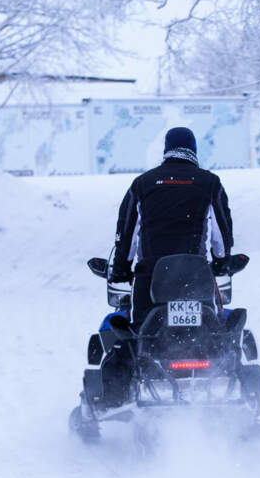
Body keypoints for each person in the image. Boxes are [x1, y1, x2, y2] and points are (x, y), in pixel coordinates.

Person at [100, 126, 234, 405]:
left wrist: (121, 269)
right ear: (194, 151)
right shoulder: (209, 183)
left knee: (136, 335)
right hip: (195, 278)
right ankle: (219, 382)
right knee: (211, 332)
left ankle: (116, 397)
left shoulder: (143, 184)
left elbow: (127, 235)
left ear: (166, 150)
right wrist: (221, 263)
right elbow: (222, 234)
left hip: (151, 281)